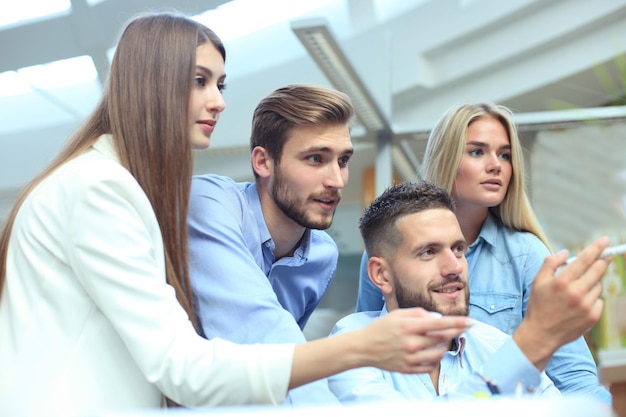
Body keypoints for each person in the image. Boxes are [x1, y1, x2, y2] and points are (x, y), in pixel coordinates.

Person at [0, 12, 474, 417]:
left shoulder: (116, 186)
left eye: (220, 84)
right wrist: (355, 349)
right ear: (152, 81)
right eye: (199, 80)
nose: (219, 101)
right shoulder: (98, 190)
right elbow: (183, 366)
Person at [354, 102, 611, 405]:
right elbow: (369, 343)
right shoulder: (389, 254)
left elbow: (573, 377)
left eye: (504, 154)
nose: (496, 165)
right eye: (477, 152)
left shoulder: (525, 254)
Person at [330, 181, 610, 402]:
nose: (454, 267)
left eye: (458, 249)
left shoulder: (495, 345)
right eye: (428, 252)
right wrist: (534, 340)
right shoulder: (351, 346)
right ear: (381, 275)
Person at [188, 84, 358, 404]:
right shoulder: (209, 203)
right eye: (315, 159)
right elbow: (265, 334)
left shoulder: (323, 256)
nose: (336, 180)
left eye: (343, 160)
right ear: (263, 162)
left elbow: (283, 367)